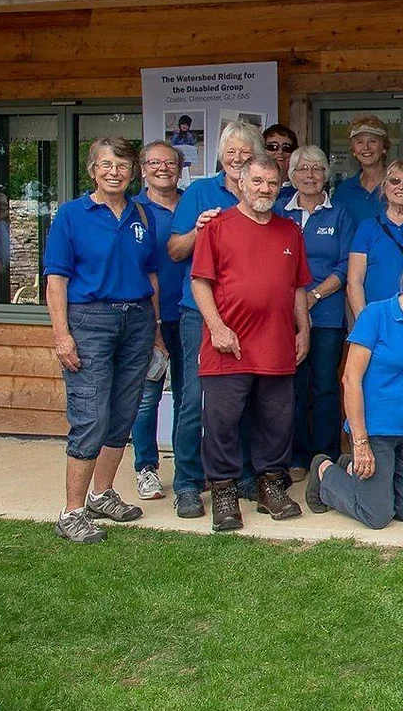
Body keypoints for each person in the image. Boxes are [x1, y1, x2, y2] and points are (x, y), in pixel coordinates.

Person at [44, 137, 161, 543]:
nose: (115, 172)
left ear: (133, 173)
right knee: (90, 416)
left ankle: (102, 495)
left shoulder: (141, 215)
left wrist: (157, 329)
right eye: (107, 164)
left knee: (123, 412)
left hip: (137, 320)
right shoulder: (71, 216)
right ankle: (71, 512)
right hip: (89, 321)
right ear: (93, 169)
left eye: (123, 165)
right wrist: (62, 335)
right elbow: (55, 279)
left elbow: (151, 277)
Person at [191, 152, 311, 532]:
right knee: (222, 422)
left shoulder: (289, 230)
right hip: (229, 345)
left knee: (277, 421)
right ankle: (224, 493)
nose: (264, 189)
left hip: (276, 343)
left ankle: (271, 487)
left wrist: (303, 329)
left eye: (272, 183)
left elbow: (296, 287)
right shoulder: (217, 227)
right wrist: (217, 327)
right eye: (256, 181)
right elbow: (200, 282)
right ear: (240, 183)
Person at [305, 248, 403, 529]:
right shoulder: (377, 314)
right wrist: (360, 443)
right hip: (377, 432)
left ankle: (361, 475)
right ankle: (325, 472)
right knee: (377, 516)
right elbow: (351, 380)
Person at [168, 120, 264, 518]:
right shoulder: (200, 191)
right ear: (220, 155)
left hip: (248, 316)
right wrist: (197, 228)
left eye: (246, 151)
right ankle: (188, 483)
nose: (239, 158)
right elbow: (175, 250)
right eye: (232, 151)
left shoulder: (263, 192)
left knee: (242, 398)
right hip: (201, 313)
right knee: (194, 400)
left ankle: (240, 473)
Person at [276, 145, 354, 479]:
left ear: (326, 175)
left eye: (317, 169)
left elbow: (346, 263)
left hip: (326, 313)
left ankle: (325, 455)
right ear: (291, 176)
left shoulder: (340, 214)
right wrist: (294, 301)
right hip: (282, 315)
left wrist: (315, 295)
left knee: (324, 385)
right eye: (303, 169)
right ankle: (295, 456)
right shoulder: (279, 210)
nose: (310, 176)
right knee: (291, 385)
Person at [130, 141, 187, 501]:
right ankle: (146, 468)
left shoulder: (191, 203)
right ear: (143, 168)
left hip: (190, 314)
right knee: (148, 396)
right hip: (148, 317)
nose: (163, 168)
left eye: (170, 162)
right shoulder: (133, 209)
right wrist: (151, 325)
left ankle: (186, 467)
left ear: (180, 168)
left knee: (188, 396)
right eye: (155, 162)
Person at [348, 159, 403, 319]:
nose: (401, 187)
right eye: (395, 181)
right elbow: (354, 281)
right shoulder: (367, 227)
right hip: (377, 317)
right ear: (384, 186)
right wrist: (364, 321)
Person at [332, 115, 390, 226]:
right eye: (360, 142)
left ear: (384, 147)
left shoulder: (399, 186)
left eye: (372, 141)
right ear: (353, 150)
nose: (366, 147)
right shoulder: (344, 191)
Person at [263, 123, 299, 204]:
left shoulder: (301, 191)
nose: (280, 152)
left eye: (286, 147)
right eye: (273, 147)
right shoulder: (252, 188)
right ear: (262, 150)